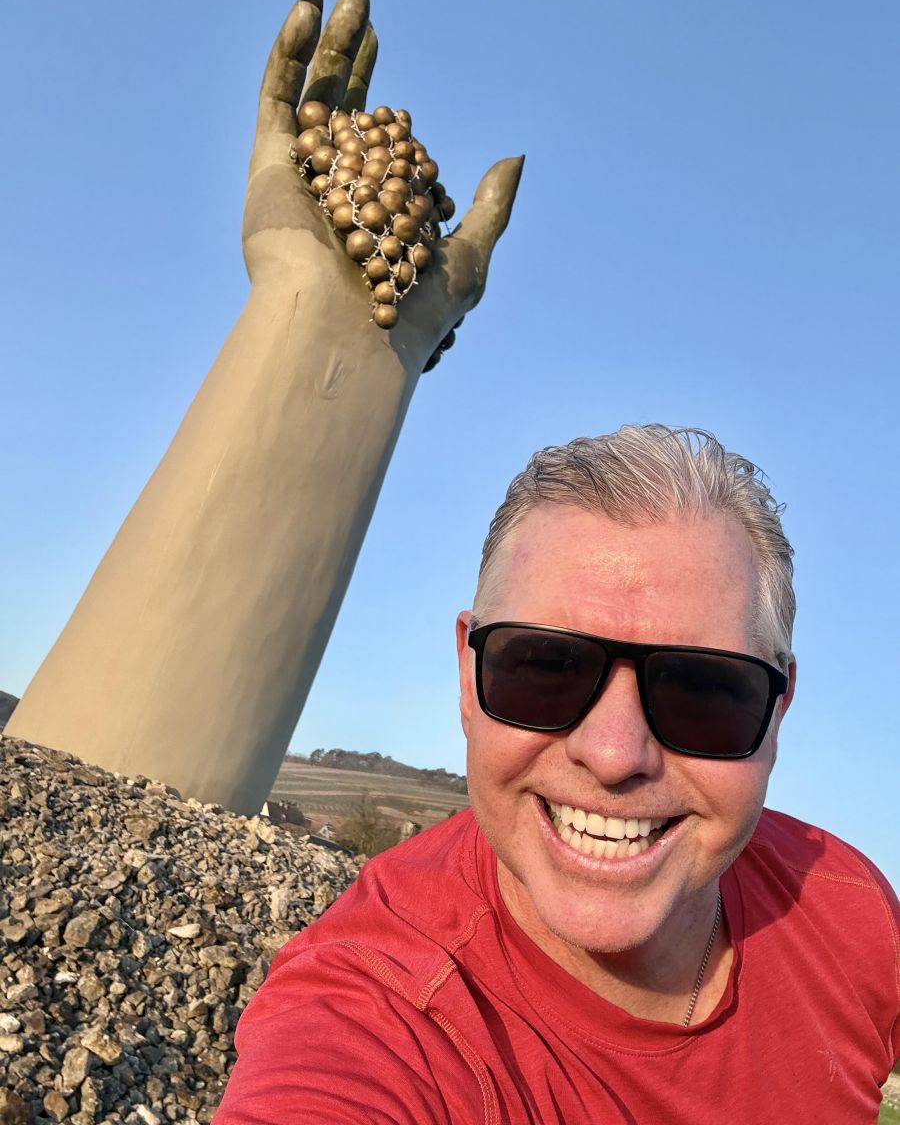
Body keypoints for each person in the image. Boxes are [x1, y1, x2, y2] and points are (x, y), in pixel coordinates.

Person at [213, 424, 899, 1123]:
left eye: (701, 689)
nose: (613, 754)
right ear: (467, 673)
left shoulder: (844, 905)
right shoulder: (375, 1013)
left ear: (777, 710)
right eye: (545, 668)